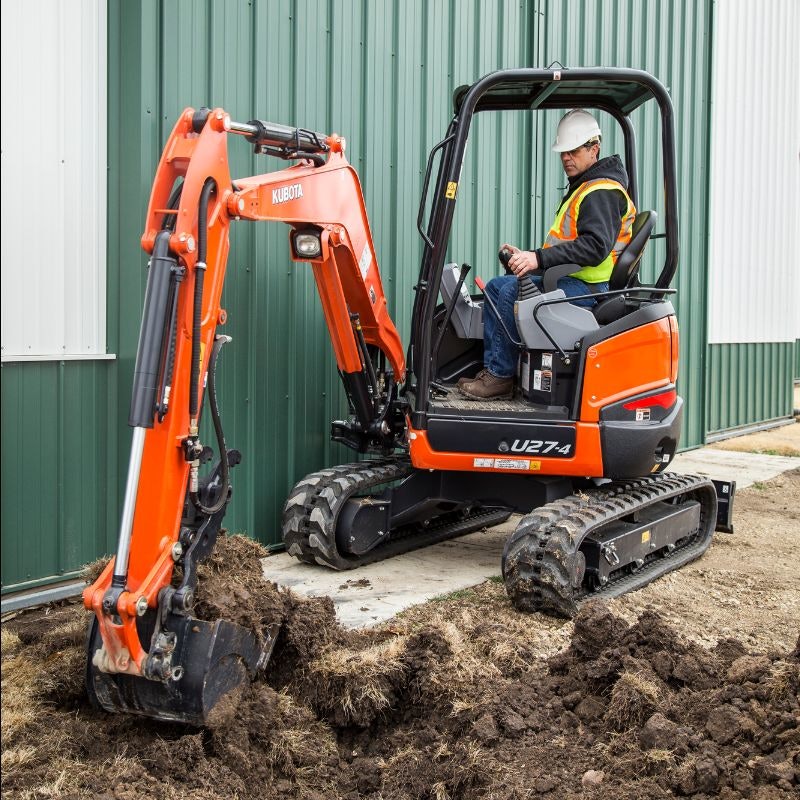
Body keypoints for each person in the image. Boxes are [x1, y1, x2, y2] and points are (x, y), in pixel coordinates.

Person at [459, 109, 636, 400]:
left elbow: (594, 248)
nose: (566, 157)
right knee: (495, 287)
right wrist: (529, 256)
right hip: (570, 277)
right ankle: (496, 369)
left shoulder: (601, 192)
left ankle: (501, 377)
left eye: (574, 150)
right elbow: (568, 244)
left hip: (588, 287)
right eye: (563, 151)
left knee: (510, 293)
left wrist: (537, 259)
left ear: (595, 148)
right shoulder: (586, 187)